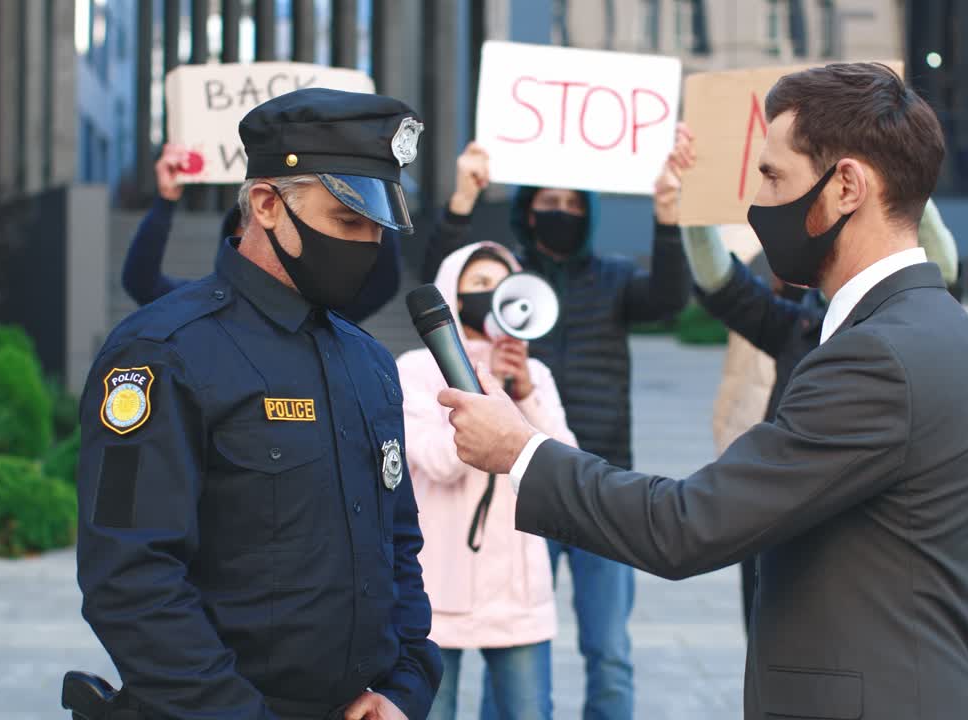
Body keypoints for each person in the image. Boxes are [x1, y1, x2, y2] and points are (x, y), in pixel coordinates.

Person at [438, 62, 968, 720]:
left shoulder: (876, 355)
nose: (758, 202)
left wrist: (520, 450)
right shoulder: (944, 329)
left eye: (773, 177)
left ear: (847, 185)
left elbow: (687, 526)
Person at [75, 88, 441, 720]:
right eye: (348, 222)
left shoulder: (368, 361)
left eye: (376, 228)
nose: (368, 245)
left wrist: (405, 688)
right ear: (268, 205)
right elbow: (131, 583)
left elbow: (398, 548)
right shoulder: (163, 353)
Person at [424, 127, 694, 720]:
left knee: (610, 652)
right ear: (527, 209)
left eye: (573, 206)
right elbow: (436, 281)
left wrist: (669, 214)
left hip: (603, 485)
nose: (561, 214)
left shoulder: (616, 278)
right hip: (523, 490)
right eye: (548, 203)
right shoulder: (504, 279)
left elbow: (672, 297)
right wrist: (462, 199)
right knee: (510, 644)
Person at [687, 200, 963, 636]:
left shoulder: (909, 333)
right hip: (774, 537)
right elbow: (720, 283)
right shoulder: (798, 328)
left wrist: (910, 188)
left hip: (859, 564)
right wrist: (694, 203)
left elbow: (944, 272)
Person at [396, 241, 577, 720]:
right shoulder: (414, 369)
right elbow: (438, 462)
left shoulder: (535, 373)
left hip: (516, 591)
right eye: (479, 285)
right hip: (439, 585)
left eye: (501, 284)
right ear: (454, 296)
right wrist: (480, 391)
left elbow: (565, 471)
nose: (492, 294)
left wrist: (525, 393)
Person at [121, 143, 402, 322]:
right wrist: (166, 200)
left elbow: (385, 282)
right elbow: (141, 280)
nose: (264, 237)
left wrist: (371, 192)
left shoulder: (321, 315)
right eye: (249, 228)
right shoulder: (199, 306)